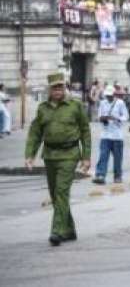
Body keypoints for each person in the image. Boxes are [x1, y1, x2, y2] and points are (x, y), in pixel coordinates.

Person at [24, 73, 91, 246]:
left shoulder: (75, 106)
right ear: (49, 89)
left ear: (65, 87)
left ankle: (57, 231)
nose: (58, 90)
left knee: (61, 192)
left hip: (70, 154)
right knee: (56, 195)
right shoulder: (42, 109)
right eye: (54, 87)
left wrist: (86, 157)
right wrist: (30, 155)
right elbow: (35, 133)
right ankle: (69, 230)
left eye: (60, 86)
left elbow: (85, 131)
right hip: (50, 155)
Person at [92, 86, 129, 184]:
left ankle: (118, 176)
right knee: (103, 155)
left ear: (114, 94)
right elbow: (99, 116)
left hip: (117, 135)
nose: (108, 97)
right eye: (107, 95)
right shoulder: (102, 103)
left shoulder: (120, 103)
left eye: (110, 95)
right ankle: (100, 175)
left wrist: (115, 118)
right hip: (105, 134)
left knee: (117, 157)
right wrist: (103, 118)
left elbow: (125, 116)